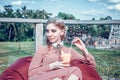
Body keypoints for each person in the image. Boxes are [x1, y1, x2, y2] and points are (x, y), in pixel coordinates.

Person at [28, 17, 97, 80]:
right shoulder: (42, 50)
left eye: (53, 31)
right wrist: (51, 66)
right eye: (47, 31)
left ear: (62, 32)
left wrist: (84, 50)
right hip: (45, 77)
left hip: (63, 77)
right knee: (74, 71)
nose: (49, 34)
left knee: (74, 72)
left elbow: (91, 67)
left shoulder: (69, 51)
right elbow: (31, 73)